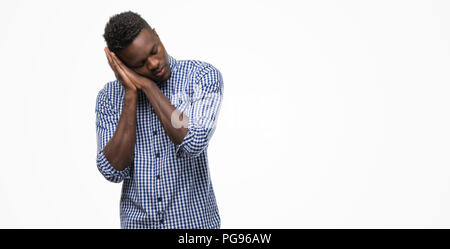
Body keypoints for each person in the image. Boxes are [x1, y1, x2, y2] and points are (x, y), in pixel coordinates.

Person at [95, 11, 223, 229]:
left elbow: (194, 141)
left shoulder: (201, 77)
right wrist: (131, 94)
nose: (154, 64)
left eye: (154, 51)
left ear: (156, 35)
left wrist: (148, 86)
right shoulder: (109, 97)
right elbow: (112, 171)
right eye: (139, 64)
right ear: (122, 65)